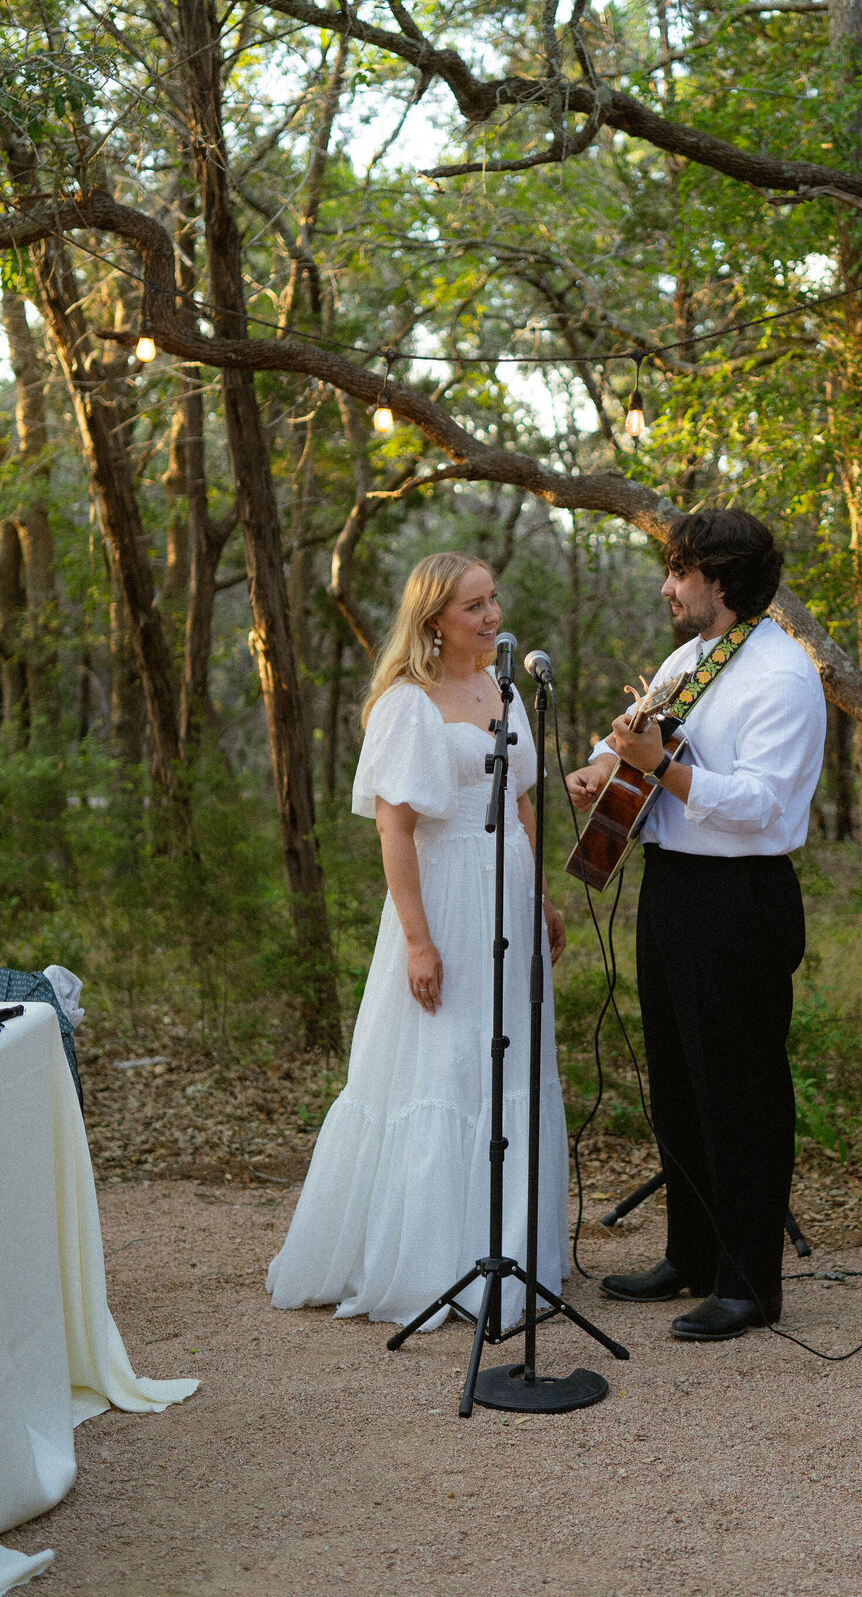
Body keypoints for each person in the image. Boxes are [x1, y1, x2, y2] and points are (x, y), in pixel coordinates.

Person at [267, 552, 570, 1331]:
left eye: (494, 599)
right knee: (448, 1064)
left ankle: (506, 1254)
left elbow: (524, 801)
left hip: (507, 894)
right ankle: (432, 1262)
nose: (492, 615)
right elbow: (395, 830)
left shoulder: (506, 687)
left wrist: (540, 896)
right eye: (475, 605)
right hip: (444, 896)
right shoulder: (407, 704)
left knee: (506, 1062)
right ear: (434, 619)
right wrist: (418, 942)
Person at [566, 510, 825, 1342]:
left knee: (740, 1089)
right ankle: (692, 1254)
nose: (667, 586)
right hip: (673, 886)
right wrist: (605, 767)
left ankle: (750, 1283)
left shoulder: (781, 676)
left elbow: (764, 804)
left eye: (679, 572)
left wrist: (664, 772)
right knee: (677, 1078)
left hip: (740, 898)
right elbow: (644, 739)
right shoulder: (691, 660)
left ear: (720, 578)